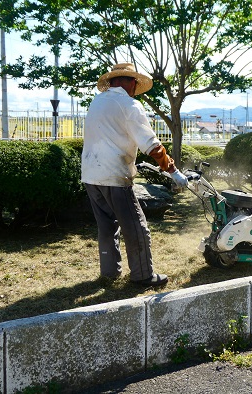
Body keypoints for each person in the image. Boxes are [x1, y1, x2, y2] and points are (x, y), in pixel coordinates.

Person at [81, 63, 188, 287]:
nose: (135, 87)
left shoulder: (97, 101)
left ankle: (109, 273)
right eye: (134, 83)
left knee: (107, 226)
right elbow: (152, 145)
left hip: (91, 174)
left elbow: (110, 136)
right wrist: (173, 170)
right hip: (115, 176)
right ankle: (142, 275)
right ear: (127, 81)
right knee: (136, 227)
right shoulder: (129, 104)